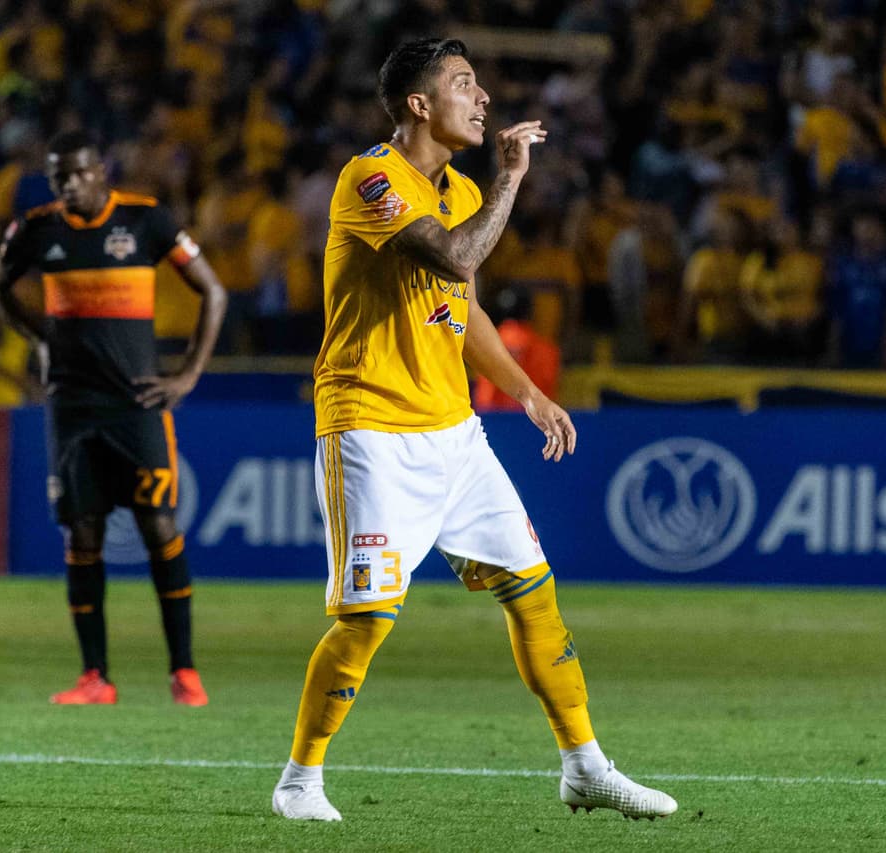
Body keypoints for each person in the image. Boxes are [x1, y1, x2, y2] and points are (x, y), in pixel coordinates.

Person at [272, 38, 677, 823]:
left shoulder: (457, 190)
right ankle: (300, 779)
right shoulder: (373, 179)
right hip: (371, 427)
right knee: (368, 621)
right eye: (464, 83)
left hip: (455, 431)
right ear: (419, 105)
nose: (483, 96)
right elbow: (457, 260)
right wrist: (513, 181)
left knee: (534, 592)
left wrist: (524, 389)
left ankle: (586, 765)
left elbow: (460, 308)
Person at [0, 130, 227, 705]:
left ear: (101, 172)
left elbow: (212, 292)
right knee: (83, 534)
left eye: (77, 173)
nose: (67, 184)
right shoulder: (38, 228)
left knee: (158, 528)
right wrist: (38, 337)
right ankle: (95, 677)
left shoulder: (147, 221)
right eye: (57, 175)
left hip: (135, 403)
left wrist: (188, 374)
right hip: (70, 406)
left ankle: (184, 671)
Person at [473, 286, 560, 411]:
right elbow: (550, 391)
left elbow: (485, 397)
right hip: (537, 421)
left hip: (496, 422)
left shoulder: (486, 347)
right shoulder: (547, 350)